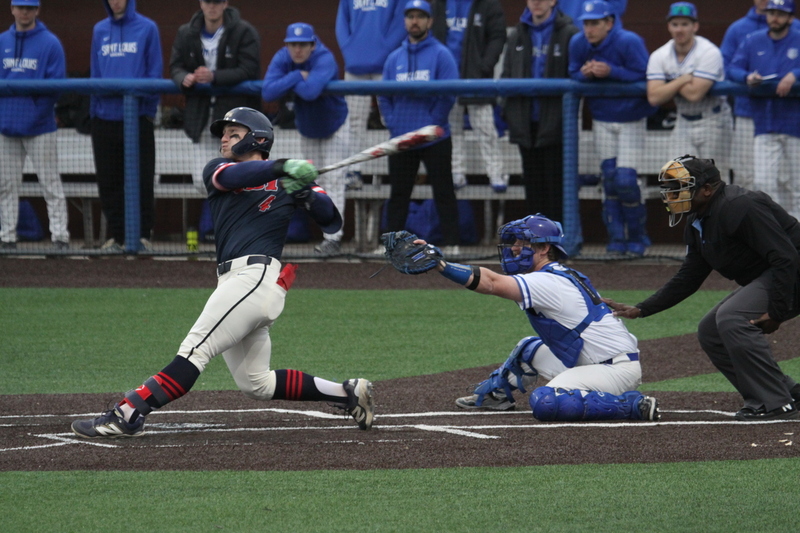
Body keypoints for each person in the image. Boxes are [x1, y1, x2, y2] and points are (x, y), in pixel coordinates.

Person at [71, 107, 375, 438]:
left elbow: (331, 221)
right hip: (236, 283)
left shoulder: (288, 181)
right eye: (224, 134)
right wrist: (281, 167)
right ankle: (346, 393)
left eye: (234, 134)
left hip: (255, 279)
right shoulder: (219, 169)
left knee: (194, 351)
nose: (224, 140)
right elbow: (232, 177)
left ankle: (127, 413)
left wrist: (305, 192)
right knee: (256, 383)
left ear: (258, 139)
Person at [405, 213, 659, 421]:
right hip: (598, 360)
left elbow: (491, 283)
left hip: (613, 370)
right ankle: (496, 396)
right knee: (529, 348)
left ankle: (632, 406)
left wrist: (442, 265)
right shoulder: (556, 274)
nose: (514, 248)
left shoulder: (547, 281)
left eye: (522, 243)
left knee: (546, 401)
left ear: (544, 248)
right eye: (514, 242)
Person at [604, 155, 800, 421]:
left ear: (707, 189)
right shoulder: (699, 219)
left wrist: (777, 311)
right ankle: (785, 391)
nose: (670, 195)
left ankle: (776, 402)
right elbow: (690, 276)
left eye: (678, 188)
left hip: (792, 270)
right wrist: (642, 309)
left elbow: (785, 257)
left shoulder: (740, 206)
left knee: (732, 318)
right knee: (710, 330)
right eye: (669, 189)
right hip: (781, 273)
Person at [569, 0, 656, 256]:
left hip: (631, 118)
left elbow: (646, 75)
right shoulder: (578, 43)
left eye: (595, 23)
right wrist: (585, 74)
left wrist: (611, 71)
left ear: (609, 23)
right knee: (609, 179)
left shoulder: (629, 41)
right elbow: (572, 72)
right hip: (602, 119)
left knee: (626, 181)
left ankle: (638, 237)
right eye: (586, 23)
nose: (589, 29)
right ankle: (616, 238)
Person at [378, 0, 461, 252]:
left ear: (429, 21)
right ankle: (391, 245)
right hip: (402, 138)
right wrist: (394, 123)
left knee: (443, 191)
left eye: (420, 16)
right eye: (411, 16)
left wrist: (432, 125)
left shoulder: (442, 55)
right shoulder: (394, 58)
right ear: (405, 21)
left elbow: (448, 94)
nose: (415, 21)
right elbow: (384, 96)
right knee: (399, 194)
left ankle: (453, 243)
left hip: (434, 138)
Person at [262, 23, 349, 256]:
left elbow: (310, 92)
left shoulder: (324, 57)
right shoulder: (283, 57)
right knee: (313, 179)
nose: (297, 49)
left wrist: (288, 82)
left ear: (313, 44)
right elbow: (268, 92)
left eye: (302, 44)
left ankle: (333, 238)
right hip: (308, 128)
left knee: (334, 180)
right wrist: (297, 75)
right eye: (293, 45)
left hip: (335, 125)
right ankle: (324, 233)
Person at [90, 0, 162, 252]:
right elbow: (95, 74)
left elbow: (154, 72)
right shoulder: (99, 29)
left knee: (141, 180)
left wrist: (148, 112)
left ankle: (142, 237)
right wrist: (94, 112)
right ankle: (118, 237)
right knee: (108, 182)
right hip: (104, 120)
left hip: (137, 118)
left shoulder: (148, 28)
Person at [169, 0, 261, 195]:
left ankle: (233, 215)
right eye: (208, 1)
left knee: (237, 180)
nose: (212, 6)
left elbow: (249, 69)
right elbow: (175, 66)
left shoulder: (243, 31)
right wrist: (184, 77)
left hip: (234, 118)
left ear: (225, 3)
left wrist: (214, 76)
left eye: (217, 1)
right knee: (202, 180)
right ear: (201, 3)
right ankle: (218, 214)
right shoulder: (186, 32)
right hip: (200, 116)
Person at [0, 0, 69, 250]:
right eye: (20, 7)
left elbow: (56, 88)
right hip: (6, 127)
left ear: (37, 10)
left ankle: (60, 238)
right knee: (6, 185)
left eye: (29, 7)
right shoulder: (2, 42)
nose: (24, 11)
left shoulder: (50, 43)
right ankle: (7, 237)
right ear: (12, 9)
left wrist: (33, 115)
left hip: (40, 127)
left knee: (50, 184)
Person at [501, 0, 579, 222]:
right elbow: (507, 74)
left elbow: (575, 76)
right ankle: (536, 238)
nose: (536, 2)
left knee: (556, 188)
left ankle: (558, 238)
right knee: (533, 188)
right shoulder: (517, 34)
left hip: (556, 126)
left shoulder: (569, 33)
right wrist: (508, 114)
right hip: (525, 125)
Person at [727, 0, 800, 221]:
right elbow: (733, 68)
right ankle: (774, 233)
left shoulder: (798, 38)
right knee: (764, 184)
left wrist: (795, 74)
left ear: (790, 18)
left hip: (795, 125)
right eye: (771, 13)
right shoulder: (753, 40)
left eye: (780, 14)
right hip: (764, 122)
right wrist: (747, 77)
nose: (774, 18)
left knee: (796, 185)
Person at [646, 2, 732, 180]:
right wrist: (683, 79)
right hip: (683, 120)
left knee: (714, 180)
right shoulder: (660, 55)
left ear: (695, 26)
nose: (679, 29)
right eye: (675, 24)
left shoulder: (709, 52)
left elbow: (695, 94)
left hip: (713, 120)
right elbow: (654, 97)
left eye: (685, 24)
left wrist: (670, 83)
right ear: (669, 26)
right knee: (678, 177)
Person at [430, 0, 507, 192]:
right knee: (452, 129)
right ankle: (457, 172)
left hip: (476, 77)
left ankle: (496, 173)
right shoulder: (439, 4)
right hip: (447, 78)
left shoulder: (487, 4)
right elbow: (432, 36)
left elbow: (498, 36)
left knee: (485, 127)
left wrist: (485, 65)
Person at [336, 0, 407, 188]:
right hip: (355, 66)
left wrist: (385, 50)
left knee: (392, 119)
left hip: (386, 65)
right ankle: (354, 171)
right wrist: (350, 50)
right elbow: (341, 24)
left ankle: (400, 172)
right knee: (354, 121)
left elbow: (400, 23)